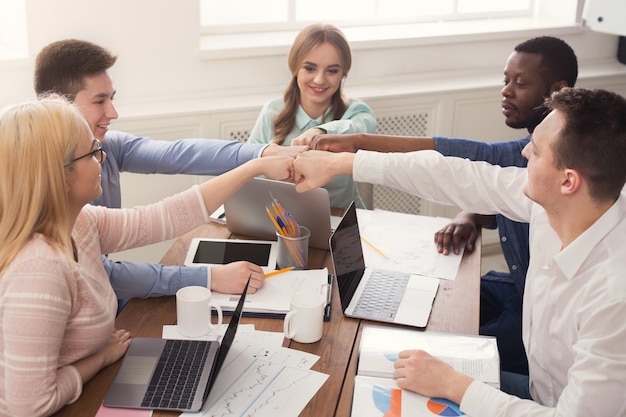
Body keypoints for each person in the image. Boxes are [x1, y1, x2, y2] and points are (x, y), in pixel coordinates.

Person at [292, 87, 626, 415]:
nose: (524, 154)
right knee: (372, 371)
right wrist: (345, 164)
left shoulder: (613, 295)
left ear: (569, 182)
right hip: (540, 395)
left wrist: (455, 385)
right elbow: (458, 174)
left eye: (536, 152)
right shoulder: (562, 203)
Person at [0, 97, 295, 416]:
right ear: (61, 175)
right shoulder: (39, 270)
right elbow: (28, 406)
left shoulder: (80, 223)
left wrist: (256, 166)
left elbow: (164, 216)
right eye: (93, 152)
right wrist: (98, 359)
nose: (102, 159)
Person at [305, 36, 579, 375]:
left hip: (535, 314)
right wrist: (469, 215)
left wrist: (356, 146)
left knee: (429, 351)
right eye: (505, 80)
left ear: (557, 91)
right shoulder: (531, 156)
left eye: (519, 83)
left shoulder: (551, 163)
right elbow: (486, 184)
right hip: (516, 286)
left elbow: (462, 160)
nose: (506, 91)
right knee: (434, 294)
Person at [34, 39, 307, 312]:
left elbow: (179, 156)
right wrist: (208, 278)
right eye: (99, 101)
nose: (113, 112)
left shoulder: (105, 151)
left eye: (112, 98)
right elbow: (105, 273)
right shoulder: (39, 193)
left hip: (107, 307)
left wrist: (263, 154)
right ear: (58, 105)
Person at [247, 23, 376, 209]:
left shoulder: (357, 112)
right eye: (310, 68)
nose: (320, 79)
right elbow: (250, 169)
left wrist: (320, 132)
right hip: (285, 221)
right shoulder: (272, 112)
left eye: (332, 71)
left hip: (341, 220)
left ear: (343, 74)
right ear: (295, 68)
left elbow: (363, 129)